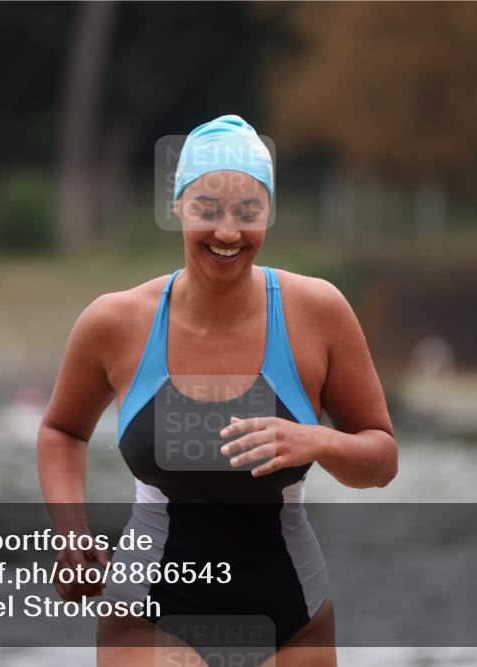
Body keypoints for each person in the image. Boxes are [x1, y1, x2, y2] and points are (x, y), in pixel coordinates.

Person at [37, 114, 397, 666]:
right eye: (207, 210)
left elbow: (381, 458)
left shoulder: (318, 312)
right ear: (177, 207)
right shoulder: (115, 322)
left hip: (292, 616)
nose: (227, 232)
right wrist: (71, 532)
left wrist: (319, 443)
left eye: (247, 213)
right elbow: (62, 430)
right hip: (147, 611)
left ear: (269, 213)